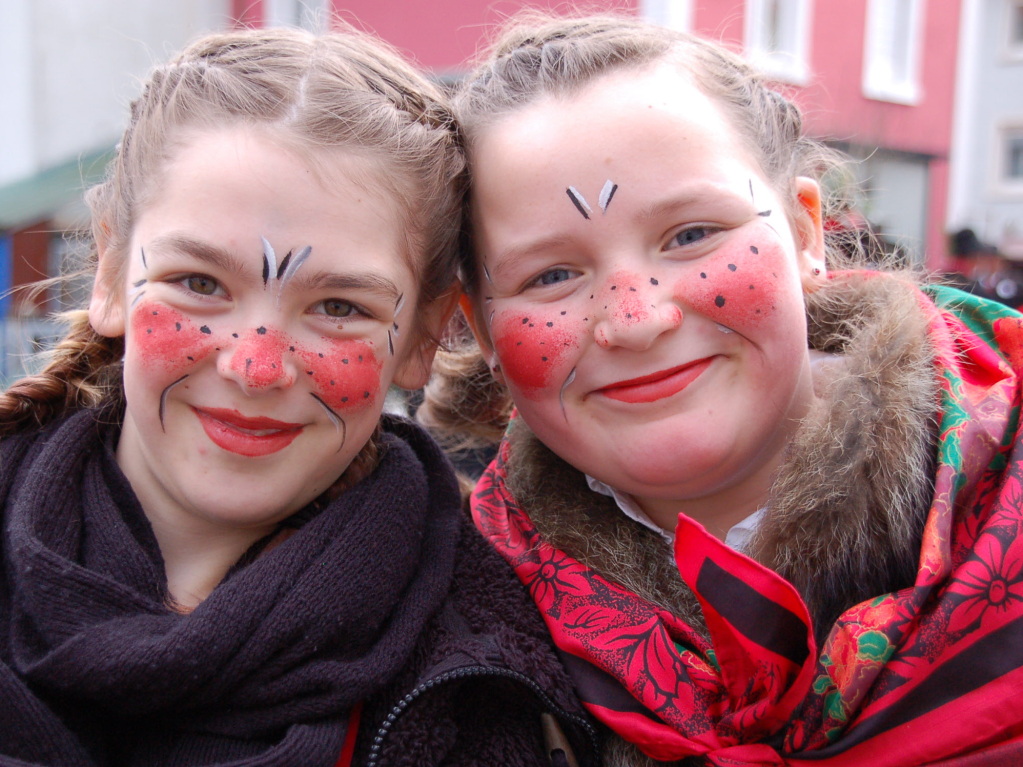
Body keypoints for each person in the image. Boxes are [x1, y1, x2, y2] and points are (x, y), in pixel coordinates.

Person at [421, 13, 1023, 766]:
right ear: (480, 329)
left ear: (804, 235)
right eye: (551, 276)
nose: (636, 320)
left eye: (690, 234)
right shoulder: (445, 625)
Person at [0, 26, 599, 767]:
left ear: (422, 337)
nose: (256, 367)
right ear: (111, 272)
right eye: (198, 283)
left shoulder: (489, 671)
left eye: (340, 307)